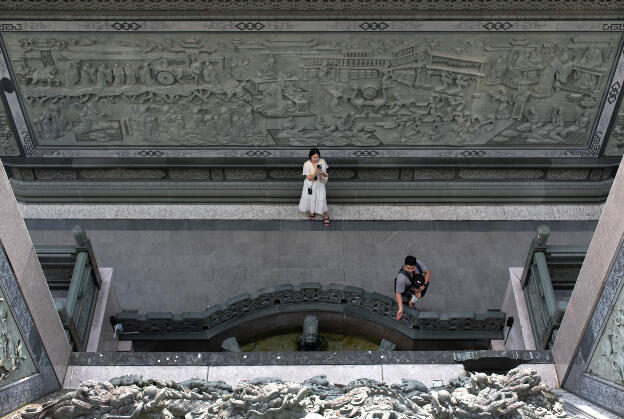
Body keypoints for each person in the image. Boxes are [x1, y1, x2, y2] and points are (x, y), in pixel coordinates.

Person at [299, 147, 330, 226]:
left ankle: (326, 216)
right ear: (310, 157)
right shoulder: (306, 164)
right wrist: (315, 173)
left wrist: (322, 173)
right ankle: (312, 212)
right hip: (310, 185)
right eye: (314, 157)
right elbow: (309, 178)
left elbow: (325, 174)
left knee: (321, 199)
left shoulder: (322, 161)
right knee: (311, 199)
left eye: (317, 157)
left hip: (320, 184)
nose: (315, 159)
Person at [395, 255, 431, 320]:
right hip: (406, 290)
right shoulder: (401, 278)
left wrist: (423, 285)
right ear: (404, 265)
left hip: (416, 286)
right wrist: (400, 308)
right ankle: (413, 310)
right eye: (408, 268)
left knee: (413, 300)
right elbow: (398, 293)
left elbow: (428, 272)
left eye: (413, 268)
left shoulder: (418, 264)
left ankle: (413, 309)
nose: (410, 270)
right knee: (409, 303)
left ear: (415, 265)